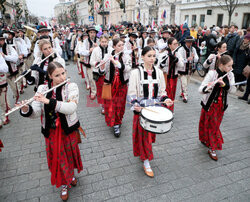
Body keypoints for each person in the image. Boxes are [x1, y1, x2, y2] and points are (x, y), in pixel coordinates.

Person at [19, 62, 83, 201]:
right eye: (57, 75)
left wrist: (48, 101)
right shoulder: (42, 88)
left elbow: (71, 107)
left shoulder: (71, 86)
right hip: (52, 131)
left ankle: (70, 175)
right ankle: (64, 184)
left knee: (70, 155)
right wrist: (26, 109)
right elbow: (36, 112)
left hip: (67, 129)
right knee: (58, 158)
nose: (61, 77)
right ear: (49, 76)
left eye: (63, 73)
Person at [127, 46, 173, 178]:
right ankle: (146, 161)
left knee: (148, 136)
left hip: (155, 110)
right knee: (144, 137)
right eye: (149, 56)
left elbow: (162, 92)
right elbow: (131, 93)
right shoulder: (135, 73)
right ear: (142, 57)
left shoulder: (158, 72)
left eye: (154, 56)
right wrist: (135, 104)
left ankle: (145, 155)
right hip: (141, 111)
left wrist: (166, 99)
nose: (152, 58)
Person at [198, 55, 236, 161]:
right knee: (205, 123)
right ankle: (207, 141)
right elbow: (201, 89)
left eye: (231, 66)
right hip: (209, 104)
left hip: (221, 105)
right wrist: (209, 87)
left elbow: (233, 90)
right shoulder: (212, 73)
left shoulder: (230, 75)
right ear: (221, 65)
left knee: (214, 126)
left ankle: (212, 147)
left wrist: (225, 85)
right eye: (229, 66)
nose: (231, 68)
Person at [99, 38, 131, 137]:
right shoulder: (108, 56)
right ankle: (115, 125)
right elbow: (102, 72)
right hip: (110, 84)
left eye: (122, 45)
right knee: (111, 105)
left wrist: (117, 64)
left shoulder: (126, 56)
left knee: (120, 104)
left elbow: (129, 68)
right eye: (119, 45)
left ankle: (118, 120)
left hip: (122, 85)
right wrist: (102, 66)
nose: (122, 47)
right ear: (113, 47)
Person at [159, 37, 184, 111]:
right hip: (165, 77)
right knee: (165, 94)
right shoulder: (164, 53)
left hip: (174, 77)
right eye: (174, 44)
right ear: (169, 45)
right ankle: (164, 110)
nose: (176, 45)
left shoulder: (178, 54)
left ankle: (170, 111)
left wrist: (176, 60)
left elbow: (181, 65)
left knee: (172, 95)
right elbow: (159, 67)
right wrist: (162, 64)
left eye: (177, 43)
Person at [90, 35, 111, 114]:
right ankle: (102, 106)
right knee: (100, 90)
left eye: (105, 42)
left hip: (107, 73)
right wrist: (98, 63)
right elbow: (91, 61)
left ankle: (107, 105)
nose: (104, 43)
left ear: (108, 42)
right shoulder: (95, 50)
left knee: (107, 90)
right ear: (100, 42)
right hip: (98, 74)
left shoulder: (111, 50)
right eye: (102, 42)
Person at [78, 26, 99, 100]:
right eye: (91, 32)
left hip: (98, 63)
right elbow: (81, 52)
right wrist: (89, 51)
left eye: (94, 32)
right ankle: (93, 92)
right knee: (91, 78)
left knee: (98, 79)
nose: (92, 34)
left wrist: (98, 47)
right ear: (88, 33)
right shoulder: (85, 41)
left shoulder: (99, 40)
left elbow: (104, 50)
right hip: (89, 63)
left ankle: (99, 92)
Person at [177, 36, 199, 103]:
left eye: (191, 42)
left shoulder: (193, 49)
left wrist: (194, 56)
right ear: (186, 42)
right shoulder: (181, 49)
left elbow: (196, 59)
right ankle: (185, 97)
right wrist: (187, 59)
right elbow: (179, 59)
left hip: (189, 69)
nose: (190, 43)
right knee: (184, 83)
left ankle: (182, 92)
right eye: (189, 42)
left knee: (187, 82)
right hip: (182, 69)